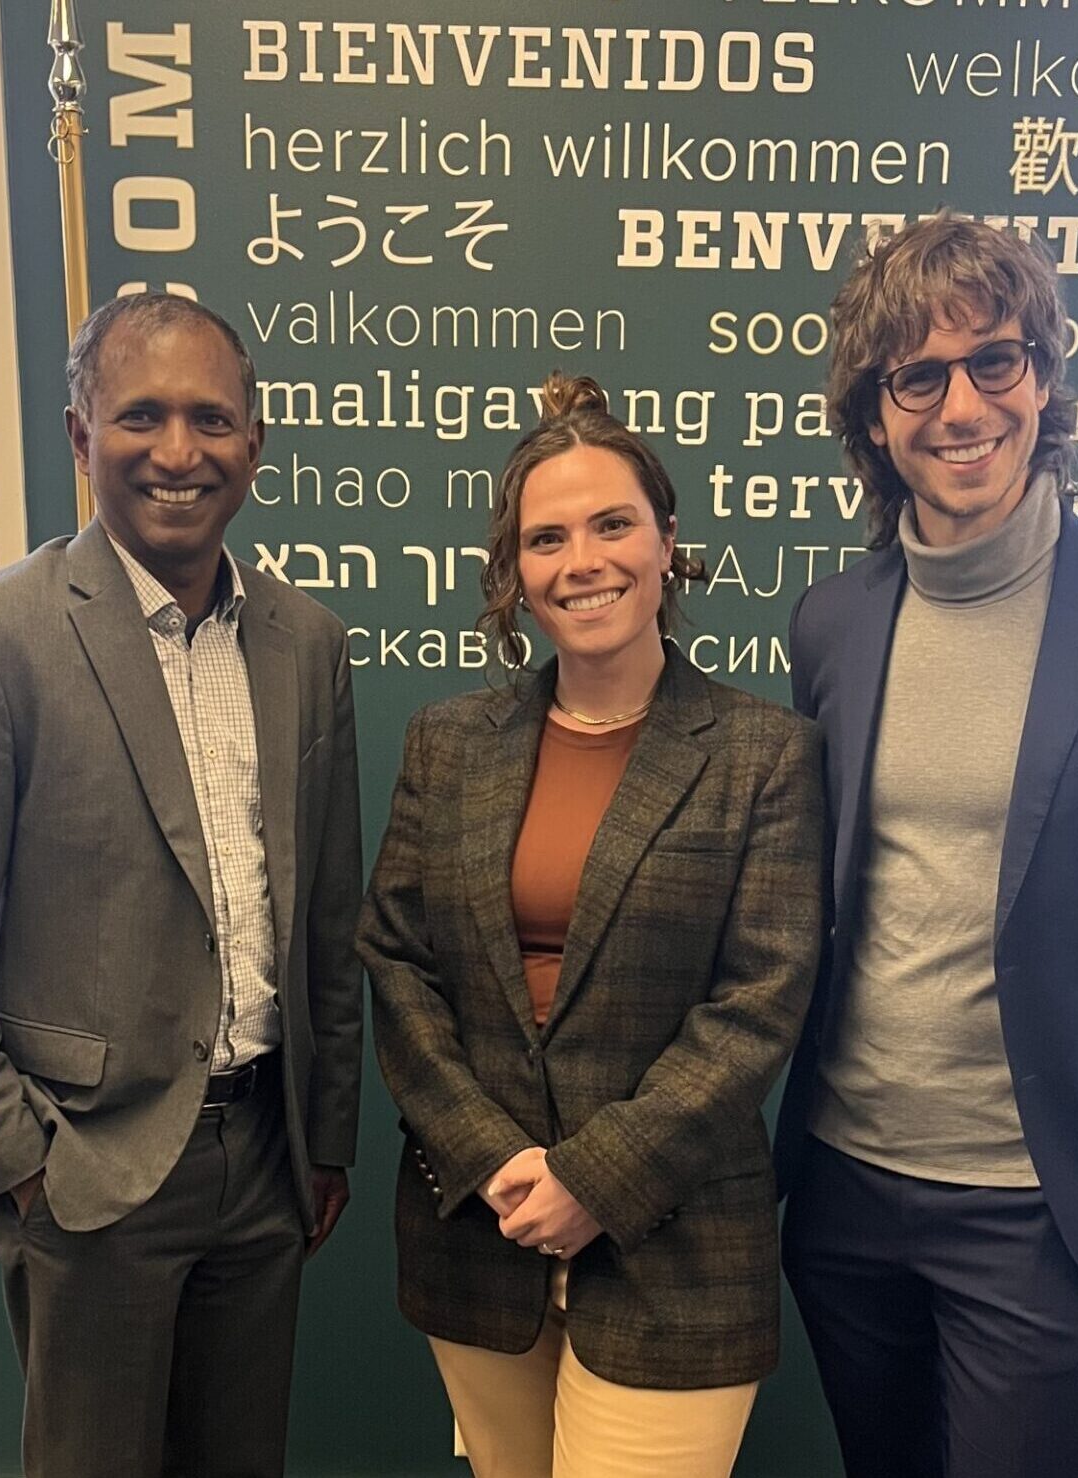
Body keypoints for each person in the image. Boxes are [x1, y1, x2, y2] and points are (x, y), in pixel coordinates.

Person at [776, 216, 1078, 1477]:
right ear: (876, 416)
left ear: (1044, 378)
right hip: (843, 1183)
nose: (962, 405)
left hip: (1030, 1201)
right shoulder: (831, 624)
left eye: (994, 360)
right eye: (918, 376)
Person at [0, 292, 364, 1477]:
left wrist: (324, 1134)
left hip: (268, 1164)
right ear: (84, 437)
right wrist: (16, 1161)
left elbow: (325, 917)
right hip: (87, 1171)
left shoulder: (308, 642)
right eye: (142, 416)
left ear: (256, 440)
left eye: (211, 417)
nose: (178, 451)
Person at [359, 373, 824, 1478]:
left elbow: (759, 1003)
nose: (584, 561)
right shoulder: (448, 743)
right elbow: (396, 961)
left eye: (613, 524)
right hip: (482, 1231)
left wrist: (595, 1179)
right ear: (514, 574)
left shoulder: (763, 753)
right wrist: (497, 1160)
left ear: (668, 542)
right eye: (547, 537)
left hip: (678, 1249)